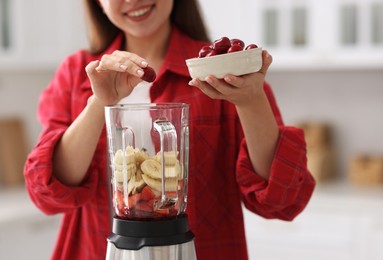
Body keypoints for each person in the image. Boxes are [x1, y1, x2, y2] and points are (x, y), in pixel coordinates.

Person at [24, 0, 316, 259]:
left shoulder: (221, 71)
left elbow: (281, 200)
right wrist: (100, 102)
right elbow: (48, 193)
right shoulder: (76, 72)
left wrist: (252, 101)